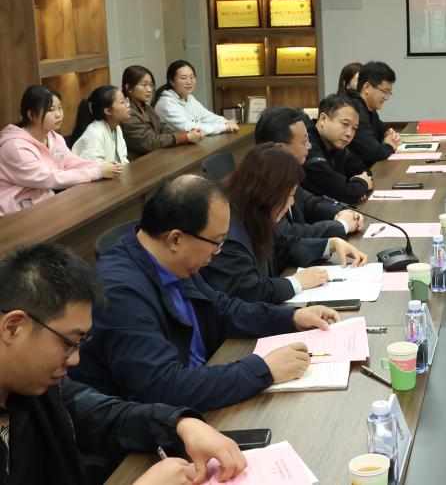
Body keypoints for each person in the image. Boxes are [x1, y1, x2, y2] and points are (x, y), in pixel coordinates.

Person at [70, 175, 344, 411]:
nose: (218, 252)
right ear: (175, 239)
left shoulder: (171, 261)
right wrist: (264, 369)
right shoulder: (120, 291)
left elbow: (221, 308)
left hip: (204, 384)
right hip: (167, 421)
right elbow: (161, 387)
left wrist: (291, 318)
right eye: (216, 242)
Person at [0, 243, 249, 485]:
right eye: (68, 343)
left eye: (79, 344)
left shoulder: (39, 387)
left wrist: (180, 424)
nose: (75, 359)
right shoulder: (34, 381)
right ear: (13, 328)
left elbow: (105, 417)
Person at [200, 144, 367, 304]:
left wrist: (330, 244)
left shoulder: (253, 214)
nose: (292, 202)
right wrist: (296, 282)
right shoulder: (227, 234)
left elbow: (283, 247)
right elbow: (250, 292)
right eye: (290, 194)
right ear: (267, 194)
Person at [0, 86, 119, 217]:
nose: (58, 114)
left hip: (44, 204)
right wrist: (97, 172)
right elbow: (49, 177)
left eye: (60, 108)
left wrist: (101, 166)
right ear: (31, 115)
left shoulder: (53, 137)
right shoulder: (14, 146)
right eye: (51, 110)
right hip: (14, 214)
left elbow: (71, 162)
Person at [255, 106, 364, 238]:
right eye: (304, 141)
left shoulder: (284, 174)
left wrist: (341, 211)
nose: (310, 146)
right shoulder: (260, 186)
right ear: (280, 149)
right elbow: (288, 234)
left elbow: (309, 202)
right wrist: (342, 225)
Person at [303, 93, 374, 205]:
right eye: (345, 124)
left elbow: (365, 172)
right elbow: (346, 194)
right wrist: (360, 186)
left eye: (354, 128)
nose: (349, 133)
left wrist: (357, 188)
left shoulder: (336, 146)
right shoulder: (307, 146)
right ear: (323, 119)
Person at [121, 65, 203, 161]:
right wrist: (185, 137)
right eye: (144, 85)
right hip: (138, 164)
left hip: (154, 158)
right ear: (128, 88)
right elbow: (150, 143)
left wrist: (189, 134)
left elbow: (162, 128)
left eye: (151, 85)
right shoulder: (126, 112)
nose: (149, 89)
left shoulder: (147, 107)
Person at [154, 60, 239, 136]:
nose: (189, 82)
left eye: (192, 77)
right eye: (183, 78)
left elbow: (207, 116)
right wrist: (224, 127)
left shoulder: (189, 98)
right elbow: (190, 128)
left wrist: (226, 122)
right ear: (172, 81)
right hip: (173, 147)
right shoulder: (166, 103)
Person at [346, 60, 401, 167]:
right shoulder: (354, 110)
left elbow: (383, 130)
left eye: (389, 93)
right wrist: (390, 145)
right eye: (384, 91)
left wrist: (390, 134)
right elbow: (374, 153)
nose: (386, 98)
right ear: (367, 87)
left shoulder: (368, 106)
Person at [68, 85, 130, 164]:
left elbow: (123, 159)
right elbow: (94, 167)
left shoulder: (117, 128)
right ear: (108, 111)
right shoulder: (94, 132)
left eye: (126, 100)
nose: (128, 105)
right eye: (122, 102)